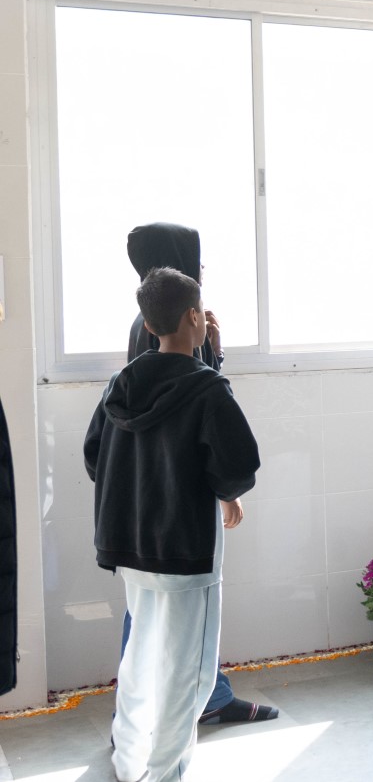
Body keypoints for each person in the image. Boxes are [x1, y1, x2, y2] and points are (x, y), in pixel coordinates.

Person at [85, 267, 261, 782]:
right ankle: (165, 774)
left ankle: (128, 762)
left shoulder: (121, 383)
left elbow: (94, 455)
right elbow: (237, 464)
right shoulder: (207, 388)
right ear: (194, 318)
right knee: (190, 673)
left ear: (148, 323)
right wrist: (226, 494)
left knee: (140, 657)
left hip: (130, 543)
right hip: (186, 549)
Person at [122, 222, 276, 725]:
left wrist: (213, 347)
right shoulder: (152, 329)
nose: (203, 267)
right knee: (172, 613)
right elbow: (192, 404)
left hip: (150, 497)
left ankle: (154, 715)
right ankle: (188, 708)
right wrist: (224, 490)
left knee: (149, 609)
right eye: (194, 256)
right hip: (177, 494)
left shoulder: (151, 321)